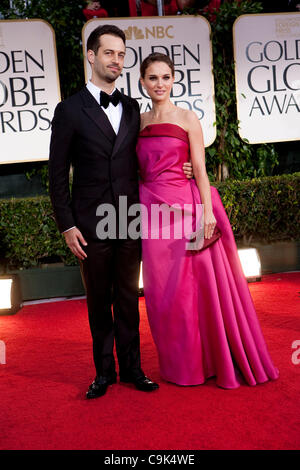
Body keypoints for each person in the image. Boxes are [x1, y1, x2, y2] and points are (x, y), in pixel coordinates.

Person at [49, 26, 192, 399]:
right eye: (109, 53)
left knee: (129, 297)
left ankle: (133, 368)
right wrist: (67, 225)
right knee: (99, 299)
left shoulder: (132, 108)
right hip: (90, 223)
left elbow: (154, 157)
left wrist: (185, 168)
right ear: (91, 57)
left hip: (130, 217)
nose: (116, 60)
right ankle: (104, 373)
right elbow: (56, 175)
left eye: (122, 54)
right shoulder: (69, 110)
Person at [136, 52, 279, 388]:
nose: (160, 84)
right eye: (153, 78)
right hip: (152, 213)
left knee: (189, 293)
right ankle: (176, 364)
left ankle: (203, 364)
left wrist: (208, 213)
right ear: (142, 82)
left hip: (186, 211)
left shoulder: (188, 118)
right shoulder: (137, 122)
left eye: (165, 77)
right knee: (160, 296)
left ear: (174, 80)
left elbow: (199, 169)